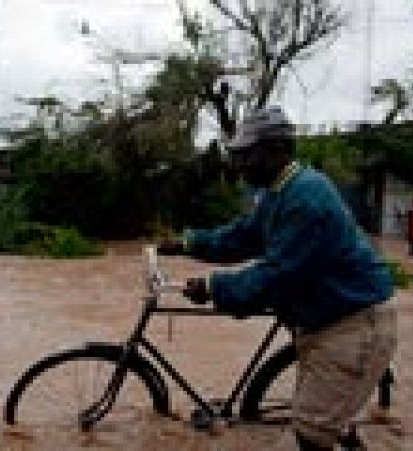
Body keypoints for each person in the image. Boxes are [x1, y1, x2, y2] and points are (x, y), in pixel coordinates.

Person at [158, 106, 396, 450]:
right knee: (329, 418)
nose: (239, 165)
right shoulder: (277, 192)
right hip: (323, 319)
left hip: (352, 324)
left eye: (247, 155)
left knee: (312, 435)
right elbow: (243, 236)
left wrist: (212, 287)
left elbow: (278, 276)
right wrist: (189, 242)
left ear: (277, 151)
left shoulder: (306, 199)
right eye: (237, 155)